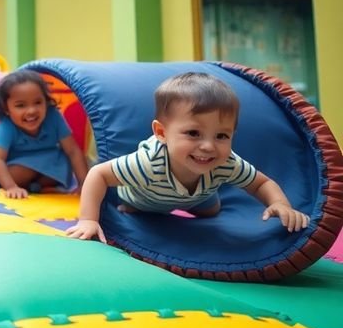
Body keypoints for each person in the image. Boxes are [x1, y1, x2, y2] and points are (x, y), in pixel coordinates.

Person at [66, 72, 309, 242]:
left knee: (211, 213)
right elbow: (98, 174)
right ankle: (133, 206)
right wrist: (88, 219)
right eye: (193, 133)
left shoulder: (226, 162)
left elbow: (261, 183)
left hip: (198, 197)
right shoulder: (148, 163)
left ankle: (201, 202)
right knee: (134, 209)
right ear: (161, 133)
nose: (208, 146)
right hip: (142, 199)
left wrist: (279, 204)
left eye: (222, 135)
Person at [0, 70, 88, 198]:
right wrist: (11, 187)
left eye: (38, 102)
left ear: (46, 101)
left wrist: (84, 184)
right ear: (6, 109)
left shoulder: (53, 116)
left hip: (45, 157)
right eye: (21, 105)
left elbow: (73, 150)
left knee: (61, 170)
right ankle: (27, 183)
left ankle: (34, 184)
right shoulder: (6, 125)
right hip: (8, 158)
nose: (31, 111)